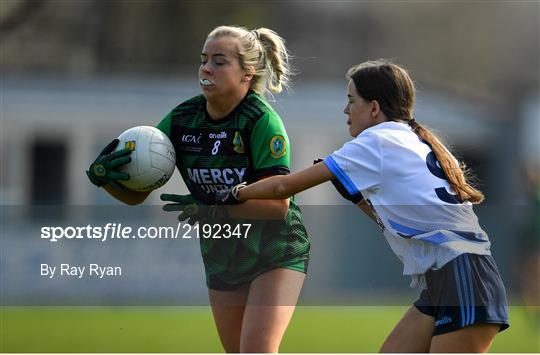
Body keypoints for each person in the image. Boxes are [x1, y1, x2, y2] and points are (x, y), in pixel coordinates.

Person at [219, 59, 510, 352]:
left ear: (373, 108)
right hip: (455, 278)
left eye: (351, 100)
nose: (346, 110)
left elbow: (284, 185)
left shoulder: (375, 141)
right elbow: (405, 225)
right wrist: (357, 199)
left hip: (462, 279)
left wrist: (235, 192)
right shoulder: (415, 140)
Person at [86, 25, 310, 353]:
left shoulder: (261, 121)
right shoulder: (182, 120)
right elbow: (137, 196)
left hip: (275, 248)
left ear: (247, 73)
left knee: (256, 351)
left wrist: (210, 207)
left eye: (219, 61)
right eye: (203, 59)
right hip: (222, 251)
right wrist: (106, 178)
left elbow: (276, 207)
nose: (206, 68)